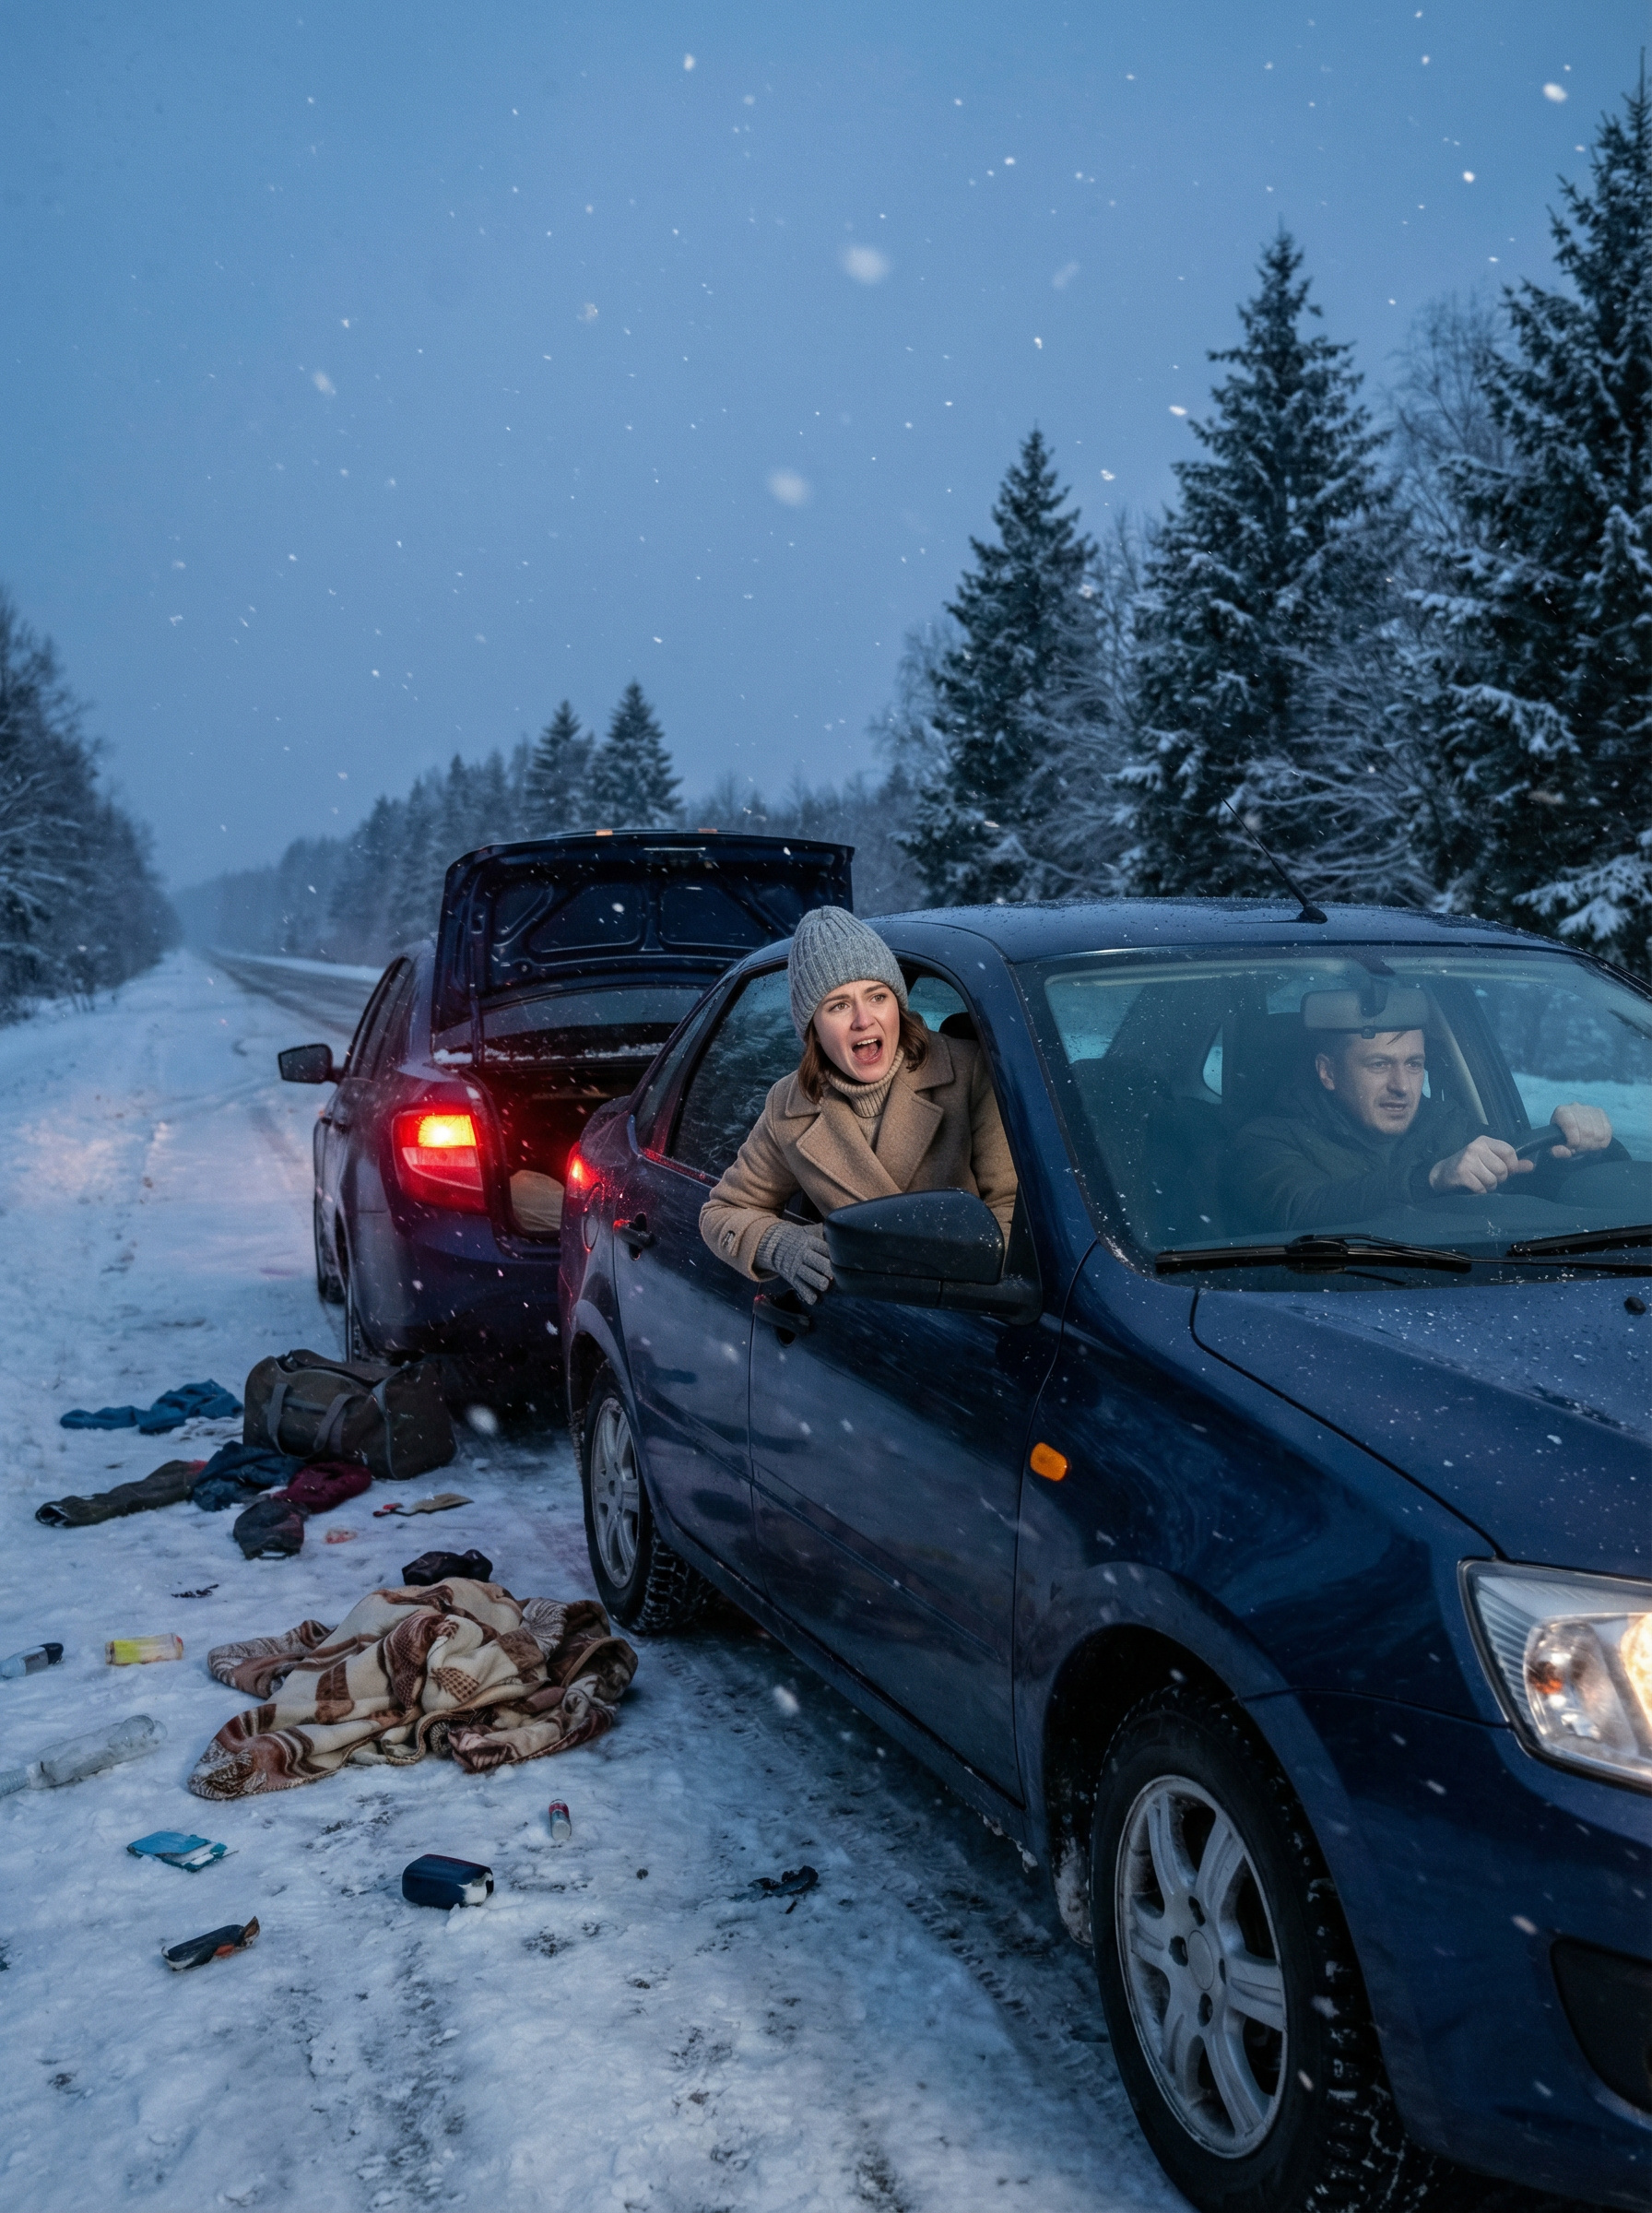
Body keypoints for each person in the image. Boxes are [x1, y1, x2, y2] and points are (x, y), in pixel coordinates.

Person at [700, 907, 1018, 1303]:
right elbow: (722, 1212)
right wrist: (780, 1245)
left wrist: (948, 1281)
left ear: (897, 1005)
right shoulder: (790, 1106)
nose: (863, 1020)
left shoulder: (971, 1074)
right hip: (860, 1323)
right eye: (839, 1005)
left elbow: (1013, 1215)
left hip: (961, 1314)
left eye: (877, 997)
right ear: (814, 1029)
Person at [1225, 999, 1614, 1233]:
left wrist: (1574, 1152)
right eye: (1379, 1065)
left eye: (1414, 1065)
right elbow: (1302, 1210)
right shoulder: (1268, 1139)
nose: (1402, 1086)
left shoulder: (1448, 1125)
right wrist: (1430, 1179)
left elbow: (1524, 1188)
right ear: (1328, 1072)